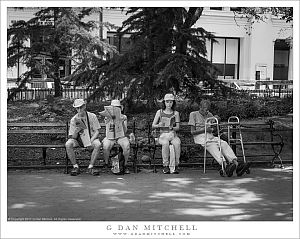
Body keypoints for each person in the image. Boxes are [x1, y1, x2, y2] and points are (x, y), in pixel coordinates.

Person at [188, 99, 250, 177]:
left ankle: (237, 165)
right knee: (212, 146)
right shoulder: (193, 114)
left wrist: (217, 122)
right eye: (204, 109)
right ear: (200, 107)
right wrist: (205, 130)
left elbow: (215, 128)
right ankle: (225, 165)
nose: (206, 111)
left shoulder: (209, 114)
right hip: (200, 136)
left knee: (223, 143)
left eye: (207, 109)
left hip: (211, 136)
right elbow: (192, 132)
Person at [65, 99, 101, 176]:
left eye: (81, 107)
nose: (79, 109)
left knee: (98, 144)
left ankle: (91, 167)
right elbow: (73, 137)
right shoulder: (74, 119)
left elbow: (97, 131)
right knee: (68, 144)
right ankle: (75, 166)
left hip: (91, 138)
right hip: (78, 140)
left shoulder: (92, 116)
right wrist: (76, 131)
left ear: (84, 106)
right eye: (77, 108)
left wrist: (90, 141)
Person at [152, 93, 181, 174]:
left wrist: (172, 127)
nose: (169, 104)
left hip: (172, 134)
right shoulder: (159, 112)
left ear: (173, 103)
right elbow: (153, 125)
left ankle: (176, 165)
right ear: (164, 102)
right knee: (165, 144)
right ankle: (165, 165)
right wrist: (159, 125)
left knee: (177, 143)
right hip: (162, 135)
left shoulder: (176, 113)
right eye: (167, 102)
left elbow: (178, 127)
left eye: (171, 102)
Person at [100, 99, 131, 174]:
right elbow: (108, 128)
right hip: (110, 137)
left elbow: (125, 131)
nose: (116, 109)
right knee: (106, 146)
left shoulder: (123, 117)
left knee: (126, 146)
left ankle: (125, 165)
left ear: (120, 108)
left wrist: (122, 122)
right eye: (114, 107)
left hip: (121, 137)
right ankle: (107, 164)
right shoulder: (107, 116)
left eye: (117, 107)